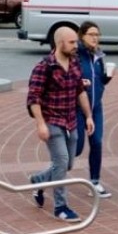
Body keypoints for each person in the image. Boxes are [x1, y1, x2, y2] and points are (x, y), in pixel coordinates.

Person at [26, 26, 94, 222]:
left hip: (71, 120)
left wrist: (88, 116)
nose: (76, 45)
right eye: (72, 42)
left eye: (76, 42)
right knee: (62, 161)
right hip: (52, 120)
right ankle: (60, 207)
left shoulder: (74, 63)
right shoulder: (44, 67)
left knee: (67, 165)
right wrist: (41, 124)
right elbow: (33, 98)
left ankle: (38, 181)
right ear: (59, 43)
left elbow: (80, 91)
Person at [75, 21, 113, 198]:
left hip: (96, 107)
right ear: (82, 36)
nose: (95, 38)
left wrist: (106, 79)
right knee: (75, 149)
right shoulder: (75, 55)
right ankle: (45, 178)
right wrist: (79, 84)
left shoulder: (98, 55)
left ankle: (95, 182)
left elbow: (99, 80)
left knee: (97, 142)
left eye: (97, 34)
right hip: (76, 109)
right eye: (91, 34)